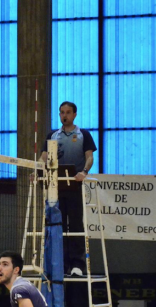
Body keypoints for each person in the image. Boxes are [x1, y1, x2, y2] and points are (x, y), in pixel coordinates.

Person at [40, 101, 97, 276]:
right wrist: (37, 171)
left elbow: (89, 157)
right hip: (56, 187)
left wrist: (84, 172)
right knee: (59, 226)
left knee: (76, 225)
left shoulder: (83, 135)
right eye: (62, 112)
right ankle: (62, 265)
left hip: (75, 186)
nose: (64, 115)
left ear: (74, 115)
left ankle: (78, 265)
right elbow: (43, 158)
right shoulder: (52, 135)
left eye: (68, 112)